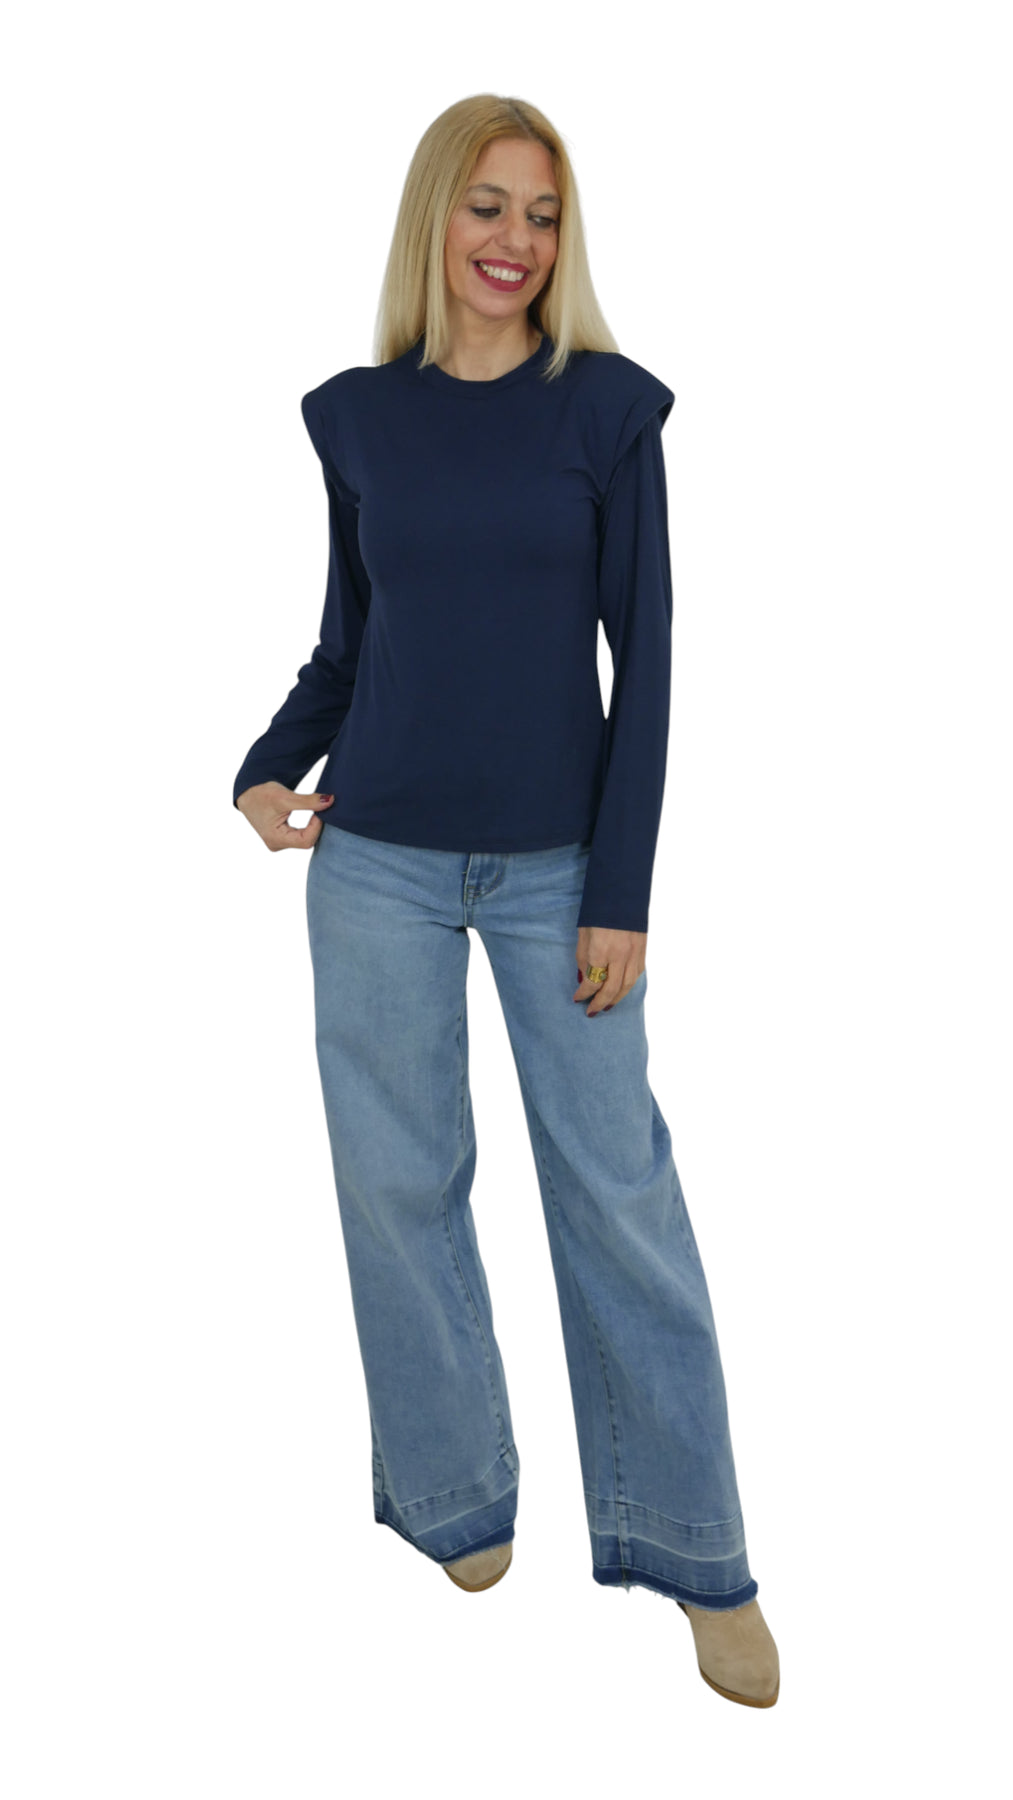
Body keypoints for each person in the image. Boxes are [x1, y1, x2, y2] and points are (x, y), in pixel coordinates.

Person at [233, 94, 780, 1709]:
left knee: (618, 1197)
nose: (514, 242)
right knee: (397, 1189)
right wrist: (262, 770)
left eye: (542, 215)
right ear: (435, 216)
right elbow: (351, 639)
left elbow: (647, 662)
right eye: (487, 206)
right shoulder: (354, 418)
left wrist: (622, 890)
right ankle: (453, 1492)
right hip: (376, 863)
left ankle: (695, 1549)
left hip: (559, 875)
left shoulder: (605, 409)